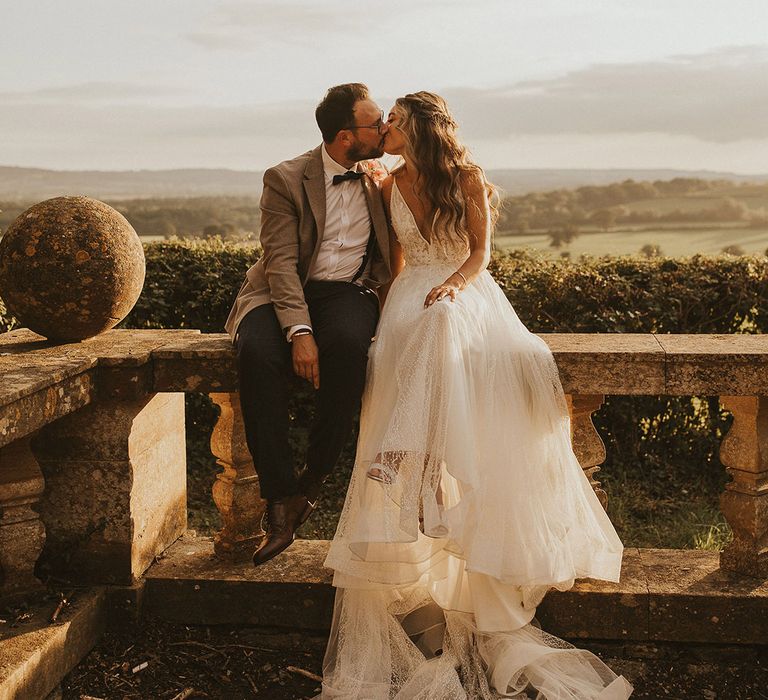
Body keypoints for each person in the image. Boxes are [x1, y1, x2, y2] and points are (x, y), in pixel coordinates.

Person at [318, 92, 633, 698]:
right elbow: (396, 260)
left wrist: (455, 288)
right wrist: (387, 315)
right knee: (402, 343)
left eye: (394, 123)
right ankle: (416, 483)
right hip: (410, 297)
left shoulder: (466, 177)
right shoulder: (385, 183)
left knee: (442, 326)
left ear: (417, 129)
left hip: (464, 294)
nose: (384, 129)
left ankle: (421, 472)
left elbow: (480, 254)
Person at [224, 83, 391, 566]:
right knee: (256, 354)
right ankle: (279, 499)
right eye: (374, 122)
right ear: (344, 136)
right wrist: (299, 332)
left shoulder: (382, 174)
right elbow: (278, 263)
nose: (383, 129)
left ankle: (309, 486)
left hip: (347, 292)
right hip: (282, 288)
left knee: (347, 348)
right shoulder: (284, 177)